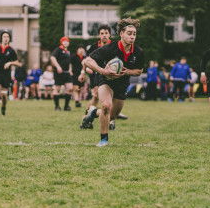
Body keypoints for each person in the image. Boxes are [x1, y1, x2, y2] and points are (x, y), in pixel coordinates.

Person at [81, 18, 144, 147]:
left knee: (112, 115)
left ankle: (93, 112)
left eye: (134, 34)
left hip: (122, 84)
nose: (132, 37)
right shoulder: (110, 48)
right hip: (106, 80)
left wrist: (127, 72)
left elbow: (139, 71)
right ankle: (103, 139)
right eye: (129, 33)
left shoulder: (138, 52)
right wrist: (102, 71)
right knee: (105, 106)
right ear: (121, 33)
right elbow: (87, 61)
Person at [82, 24, 112, 114]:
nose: (104, 35)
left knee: (111, 97)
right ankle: (88, 115)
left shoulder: (114, 46)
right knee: (96, 95)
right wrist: (84, 70)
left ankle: (111, 117)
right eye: (102, 33)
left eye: (106, 33)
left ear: (109, 34)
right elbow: (86, 60)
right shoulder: (94, 46)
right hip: (97, 73)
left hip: (111, 73)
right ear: (99, 35)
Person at [0, 31, 20, 116]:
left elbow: (17, 62)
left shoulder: (11, 50)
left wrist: (10, 63)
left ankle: (3, 110)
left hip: (6, 75)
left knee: (4, 95)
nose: (6, 38)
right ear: (1, 38)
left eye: (7, 37)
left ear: (9, 39)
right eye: (4, 36)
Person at [50, 36, 73, 111]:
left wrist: (70, 70)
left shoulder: (68, 52)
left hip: (66, 73)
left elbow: (69, 62)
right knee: (57, 89)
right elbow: (52, 58)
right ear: (61, 42)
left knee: (69, 88)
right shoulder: (58, 50)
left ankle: (66, 106)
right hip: (59, 73)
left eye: (67, 41)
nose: (66, 42)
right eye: (64, 41)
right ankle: (57, 106)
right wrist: (58, 67)